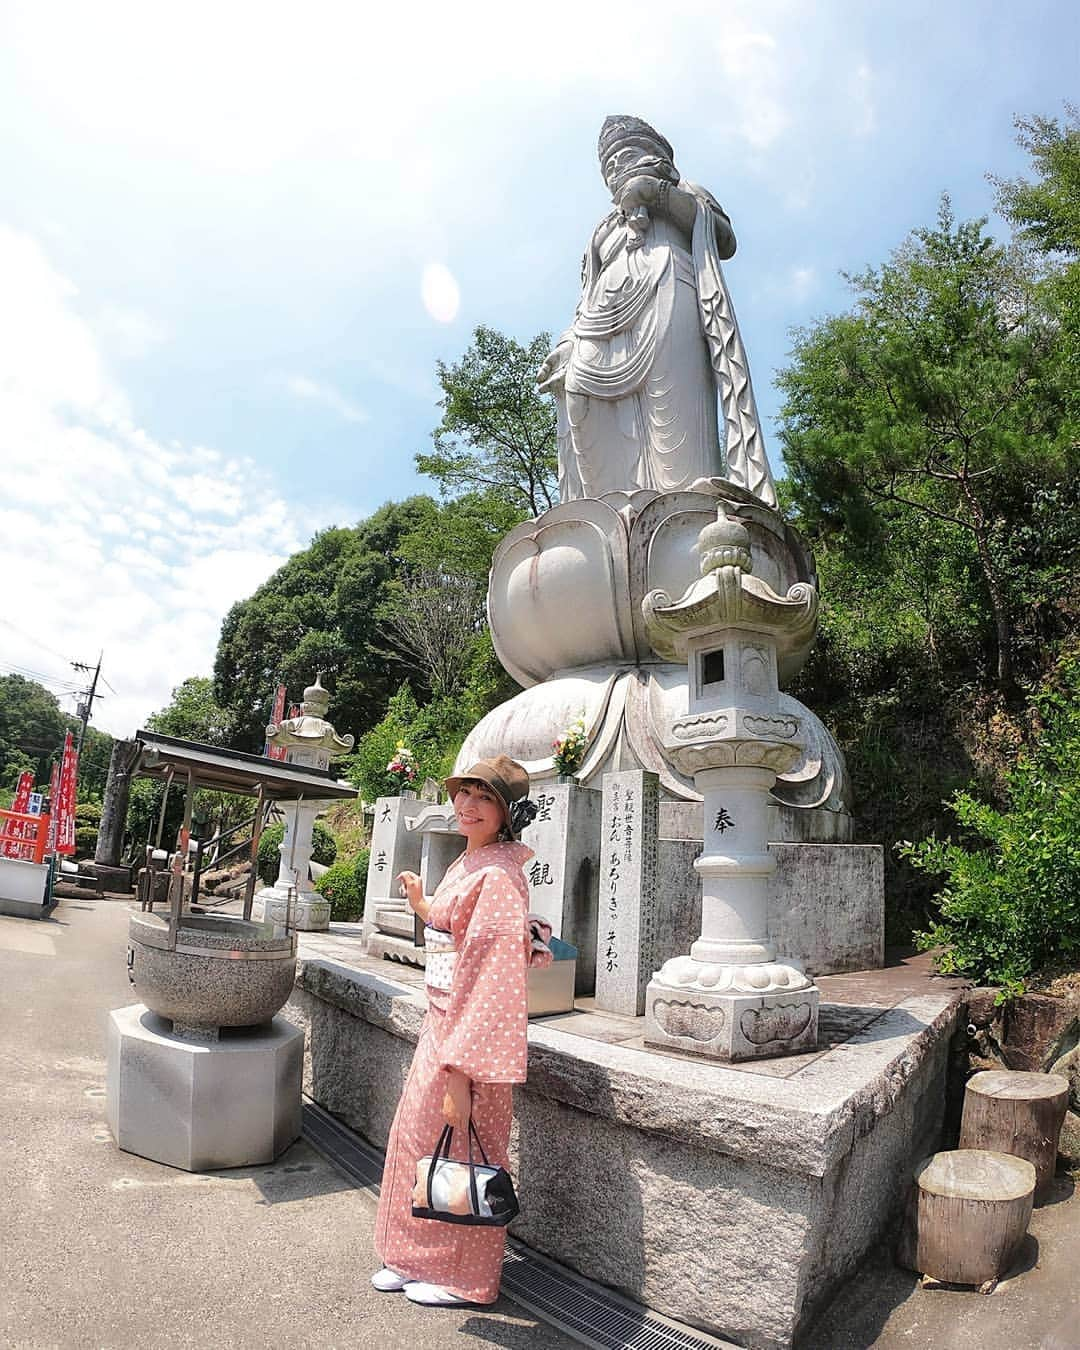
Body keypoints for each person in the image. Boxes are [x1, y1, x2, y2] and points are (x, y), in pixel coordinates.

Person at [371, 754, 549, 1307]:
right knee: (419, 1143)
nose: (467, 805)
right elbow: (449, 926)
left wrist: (460, 1075)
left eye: (485, 797)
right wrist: (423, 900)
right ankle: (409, 1256)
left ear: (507, 812)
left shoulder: (497, 876)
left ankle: (465, 1278)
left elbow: (492, 983)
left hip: (467, 1037)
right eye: (463, 792)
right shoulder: (471, 864)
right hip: (441, 1023)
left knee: (464, 1151)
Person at [536, 114, 777, 509]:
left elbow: (724, 238)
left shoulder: (682, 191)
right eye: (607, 167)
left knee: (672, 416)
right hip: (600, 322)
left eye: (624, 156)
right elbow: (585, 293)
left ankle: (687, 513)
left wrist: (658, 195)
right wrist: (566, 343)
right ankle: (606, 514)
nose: (615, 169)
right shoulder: (603, 227)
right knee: (581, 398)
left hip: (667, 292)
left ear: (654, 154)